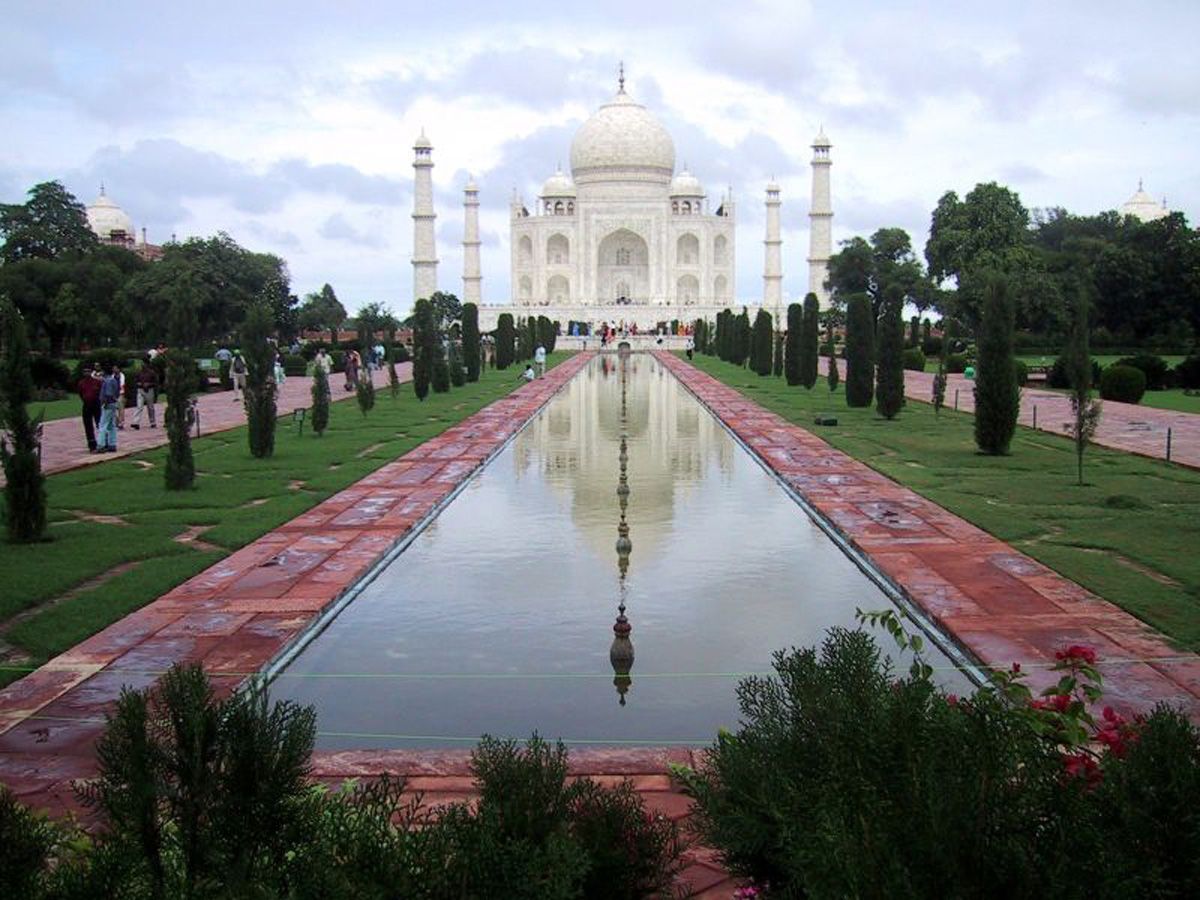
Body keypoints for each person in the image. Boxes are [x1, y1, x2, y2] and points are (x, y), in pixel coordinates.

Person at [78, 364, 103, 452]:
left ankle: (102, 442)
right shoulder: (81, 383)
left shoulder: (97, 382)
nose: (87, 373)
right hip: (86, 405)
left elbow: (101, 392)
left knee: (99, 423)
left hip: (96, 404)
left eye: (88, 371)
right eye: (85, 371)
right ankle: (92, 444)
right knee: (88, 425)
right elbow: (81, 394)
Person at [97, 364, 122, 452]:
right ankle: (112, 444)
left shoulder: (107, 381)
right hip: (113, 403)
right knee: (111, 425)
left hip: (108, 404)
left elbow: (108, 394)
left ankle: (101, 444)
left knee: (103, 425)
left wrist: (105, 403)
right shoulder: (114, 380)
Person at [130, 357, 159, 429]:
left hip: (149, 390)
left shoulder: (152, 373)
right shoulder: (139, 372)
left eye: (144, 363)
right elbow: (135, 381)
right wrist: (139, 384)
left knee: (150, 407)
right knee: (139, 406)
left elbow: (156, 382)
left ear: (147, 364)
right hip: (140, 390)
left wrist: (149, 384)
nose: (142, 365)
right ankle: (136, 422)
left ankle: (153, 422)